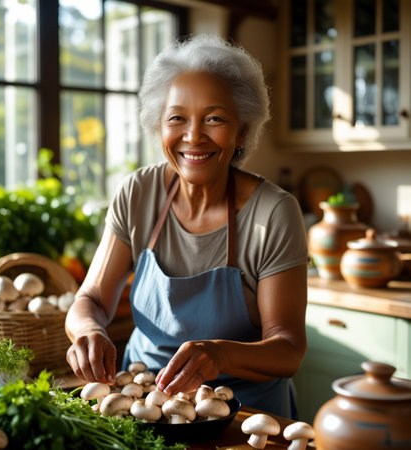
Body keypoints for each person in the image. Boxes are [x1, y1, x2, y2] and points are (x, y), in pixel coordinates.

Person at [65, 34, 308, 419]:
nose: (193, 136)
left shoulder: (274, 212)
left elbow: (288, 347)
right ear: (159, 125)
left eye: (214, 118)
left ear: (242, 131)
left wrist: (219, 354)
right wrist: (87, 332)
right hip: (142, 403)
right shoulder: (138, 193)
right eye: (176, 118)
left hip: (243, 416)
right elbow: (91, 299)